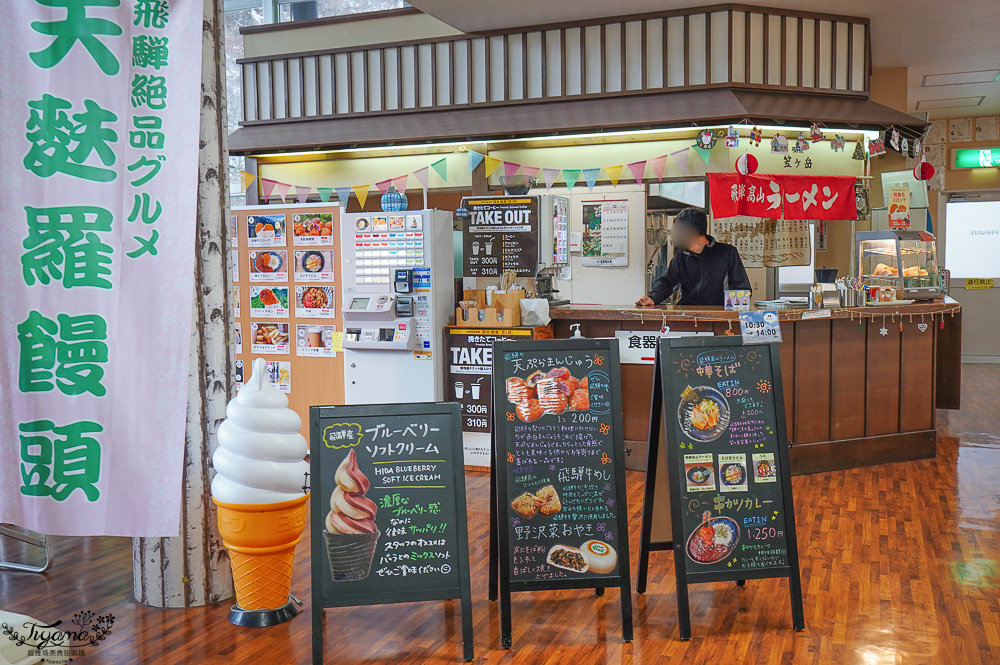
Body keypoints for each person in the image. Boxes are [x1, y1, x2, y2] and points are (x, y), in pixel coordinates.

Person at [636, 207, 750, 307]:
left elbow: (741, 287)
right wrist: (653, 298)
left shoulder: (727, 253)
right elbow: (666, 281)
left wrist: (732, 311)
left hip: (717, 316)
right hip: (688, 315)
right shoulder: (681, 256)